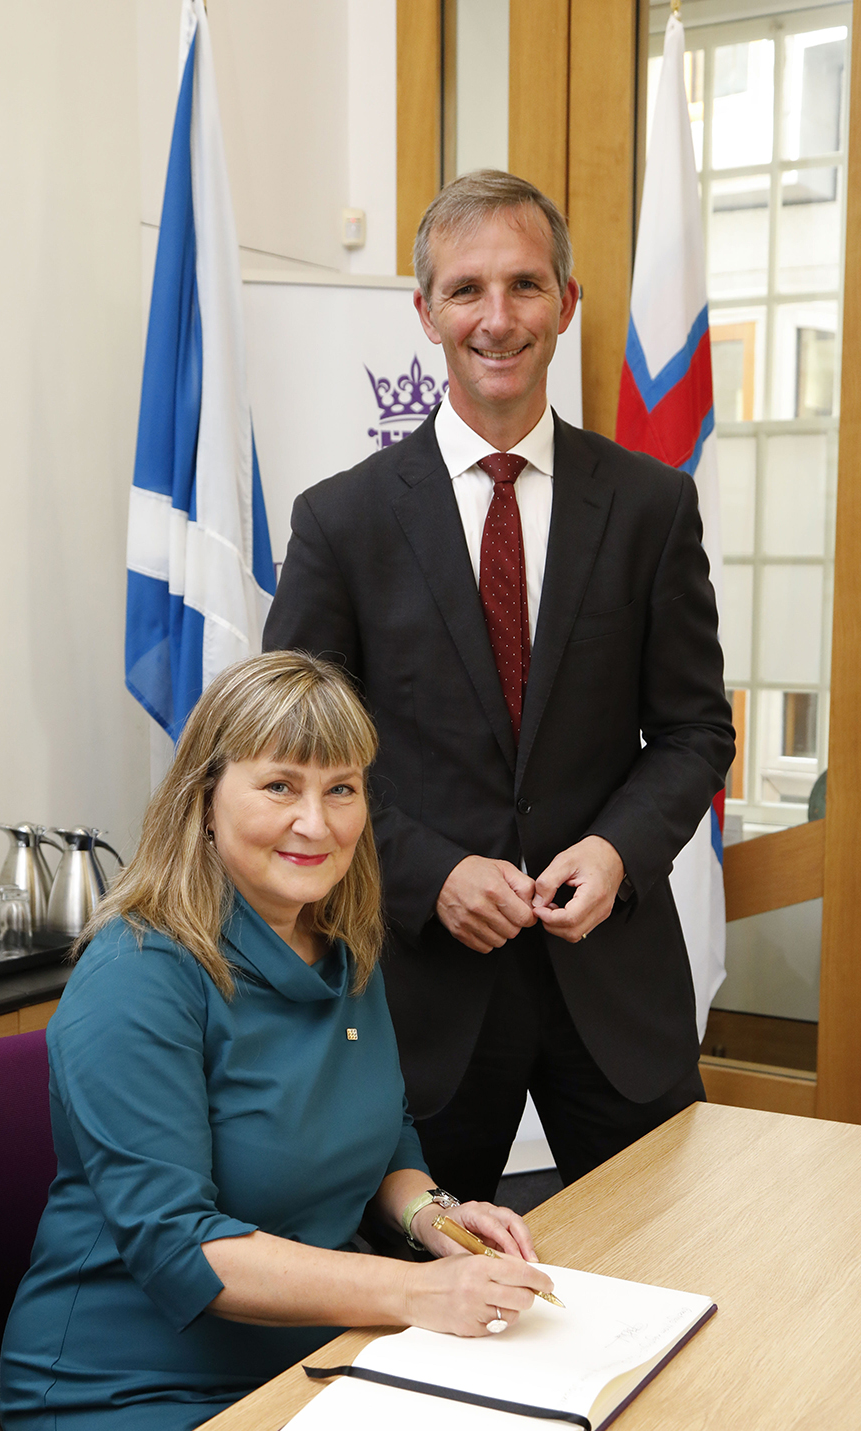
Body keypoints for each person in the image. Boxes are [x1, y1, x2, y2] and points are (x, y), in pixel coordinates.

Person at [263, 170, 735, 1204]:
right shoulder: (340, 524)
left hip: (611, 984)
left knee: (670, 1268)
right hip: (416, 999)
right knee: (410, 1300)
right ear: (425, 311)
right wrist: (431, 873)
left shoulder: (652, 507)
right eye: (467, 288)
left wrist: (615, 851)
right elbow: (293, 757)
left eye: (524, 285)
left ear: (566, 305)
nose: (497, 316)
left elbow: (696, 728)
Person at [0, 651, 549, 1431]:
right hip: (136, 1393)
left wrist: (435, 1217)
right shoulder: (139, 975)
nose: (317, 823)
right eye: (280, 787)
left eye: (342, 789)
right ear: (204, 800)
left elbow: (384, 1135)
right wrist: (415, 1292)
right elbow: (186, 1248)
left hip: (310, 1355)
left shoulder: (344, 942)